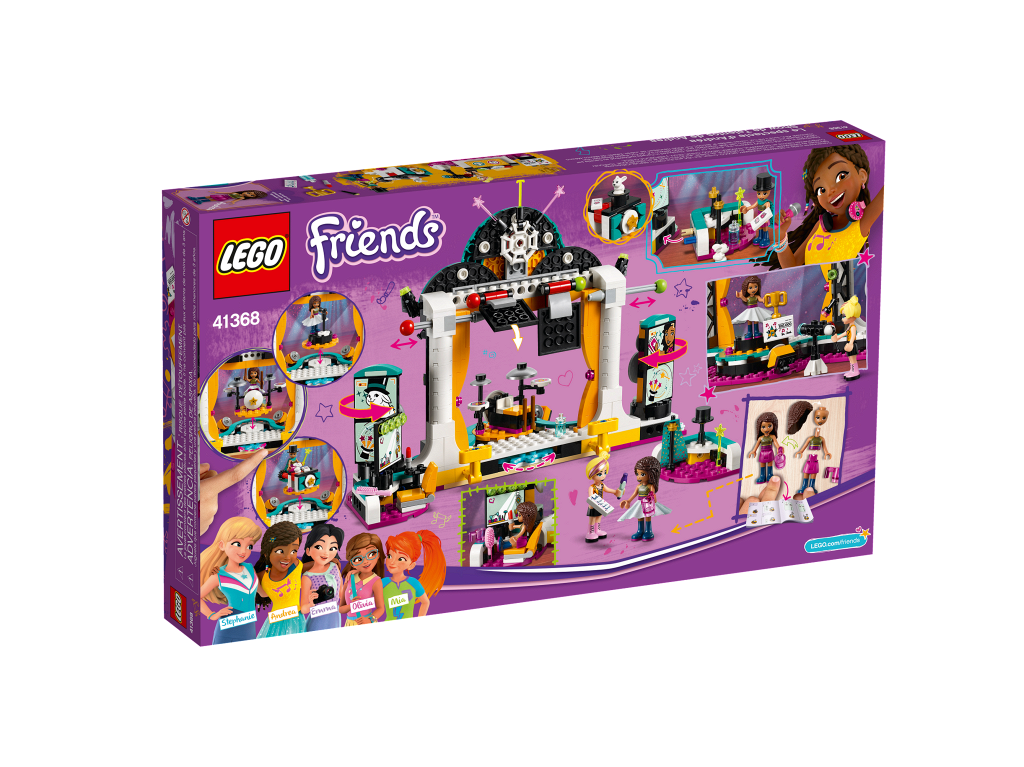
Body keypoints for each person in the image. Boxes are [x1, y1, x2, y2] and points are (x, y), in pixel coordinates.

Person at [198, 516, 262, 644]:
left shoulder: (250, 569)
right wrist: (211, 615)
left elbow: (263, 592)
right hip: (228, 629)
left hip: (249, 629)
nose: (243, 551)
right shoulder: (218, 575)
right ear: (222, 545)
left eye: (249, 546)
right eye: (237, 544)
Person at [382, 530, 446, 619]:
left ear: (411, 565)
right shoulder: (382, 583)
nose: (392, 562)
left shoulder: (413, 583)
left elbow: (425, 602)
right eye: (389, 556)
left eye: (401, 559)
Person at [300, 524, 345, 631]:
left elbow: (341, 593)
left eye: (332, 548)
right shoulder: (307, 577)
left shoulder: (334, 567)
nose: (326, 552)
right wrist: (311, 603)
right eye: (319, 547)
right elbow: (303, 609)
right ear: (308, 551)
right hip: (317, 620)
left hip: (334, 616)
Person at [618, 455, 671, 541]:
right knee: (639, 515)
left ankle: (648, 531)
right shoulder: (638, 486)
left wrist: (653, 499)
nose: (638, 477)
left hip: (647, 503)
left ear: (651, 475)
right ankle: (640, 531)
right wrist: (628, 501)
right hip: (639, 503)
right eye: (637, 474)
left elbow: (653, 495)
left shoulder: (650, 486)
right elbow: (634, 494)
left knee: (648, 516)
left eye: (642, 474)